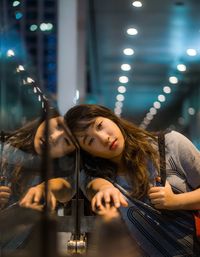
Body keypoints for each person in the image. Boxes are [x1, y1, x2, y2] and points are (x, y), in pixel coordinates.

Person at [64, 104, 200, 256]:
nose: (104, 138)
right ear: (88, 153)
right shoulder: (95, 176)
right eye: (90, 141)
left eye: (100, 126)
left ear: (111, 118)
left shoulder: (170, 144)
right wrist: (105, 189)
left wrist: (175, 201)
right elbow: (92, 185)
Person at [0, 108, 76, 212]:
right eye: (59, 125)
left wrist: (43, 189)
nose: (54, 138)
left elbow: (64, 185)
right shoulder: (4, 146)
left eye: (67, 141)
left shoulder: (63, 172)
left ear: (68, 153)